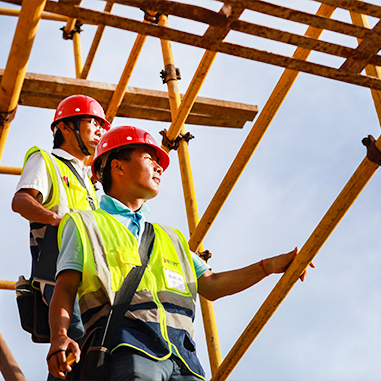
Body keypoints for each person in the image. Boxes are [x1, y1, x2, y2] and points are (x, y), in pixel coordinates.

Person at [47, 125, 313, 381]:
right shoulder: (84, 223)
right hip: (128, 346)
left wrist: (269, 266)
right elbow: (66, 287)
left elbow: (212, 284)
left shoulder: (170, 236)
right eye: (149, 158)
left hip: (184, 359)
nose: (159, 166)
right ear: (117, 166)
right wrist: (59, 336)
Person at [12, 95, 110, 377]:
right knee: (78, 340)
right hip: (57, 269)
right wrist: (59, 220)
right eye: (93, 122)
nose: (100, 130)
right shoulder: (45, 160)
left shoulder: (89, 181)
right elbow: (21, 202)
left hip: (89, 274)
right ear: (66, 127)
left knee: (89, 348)